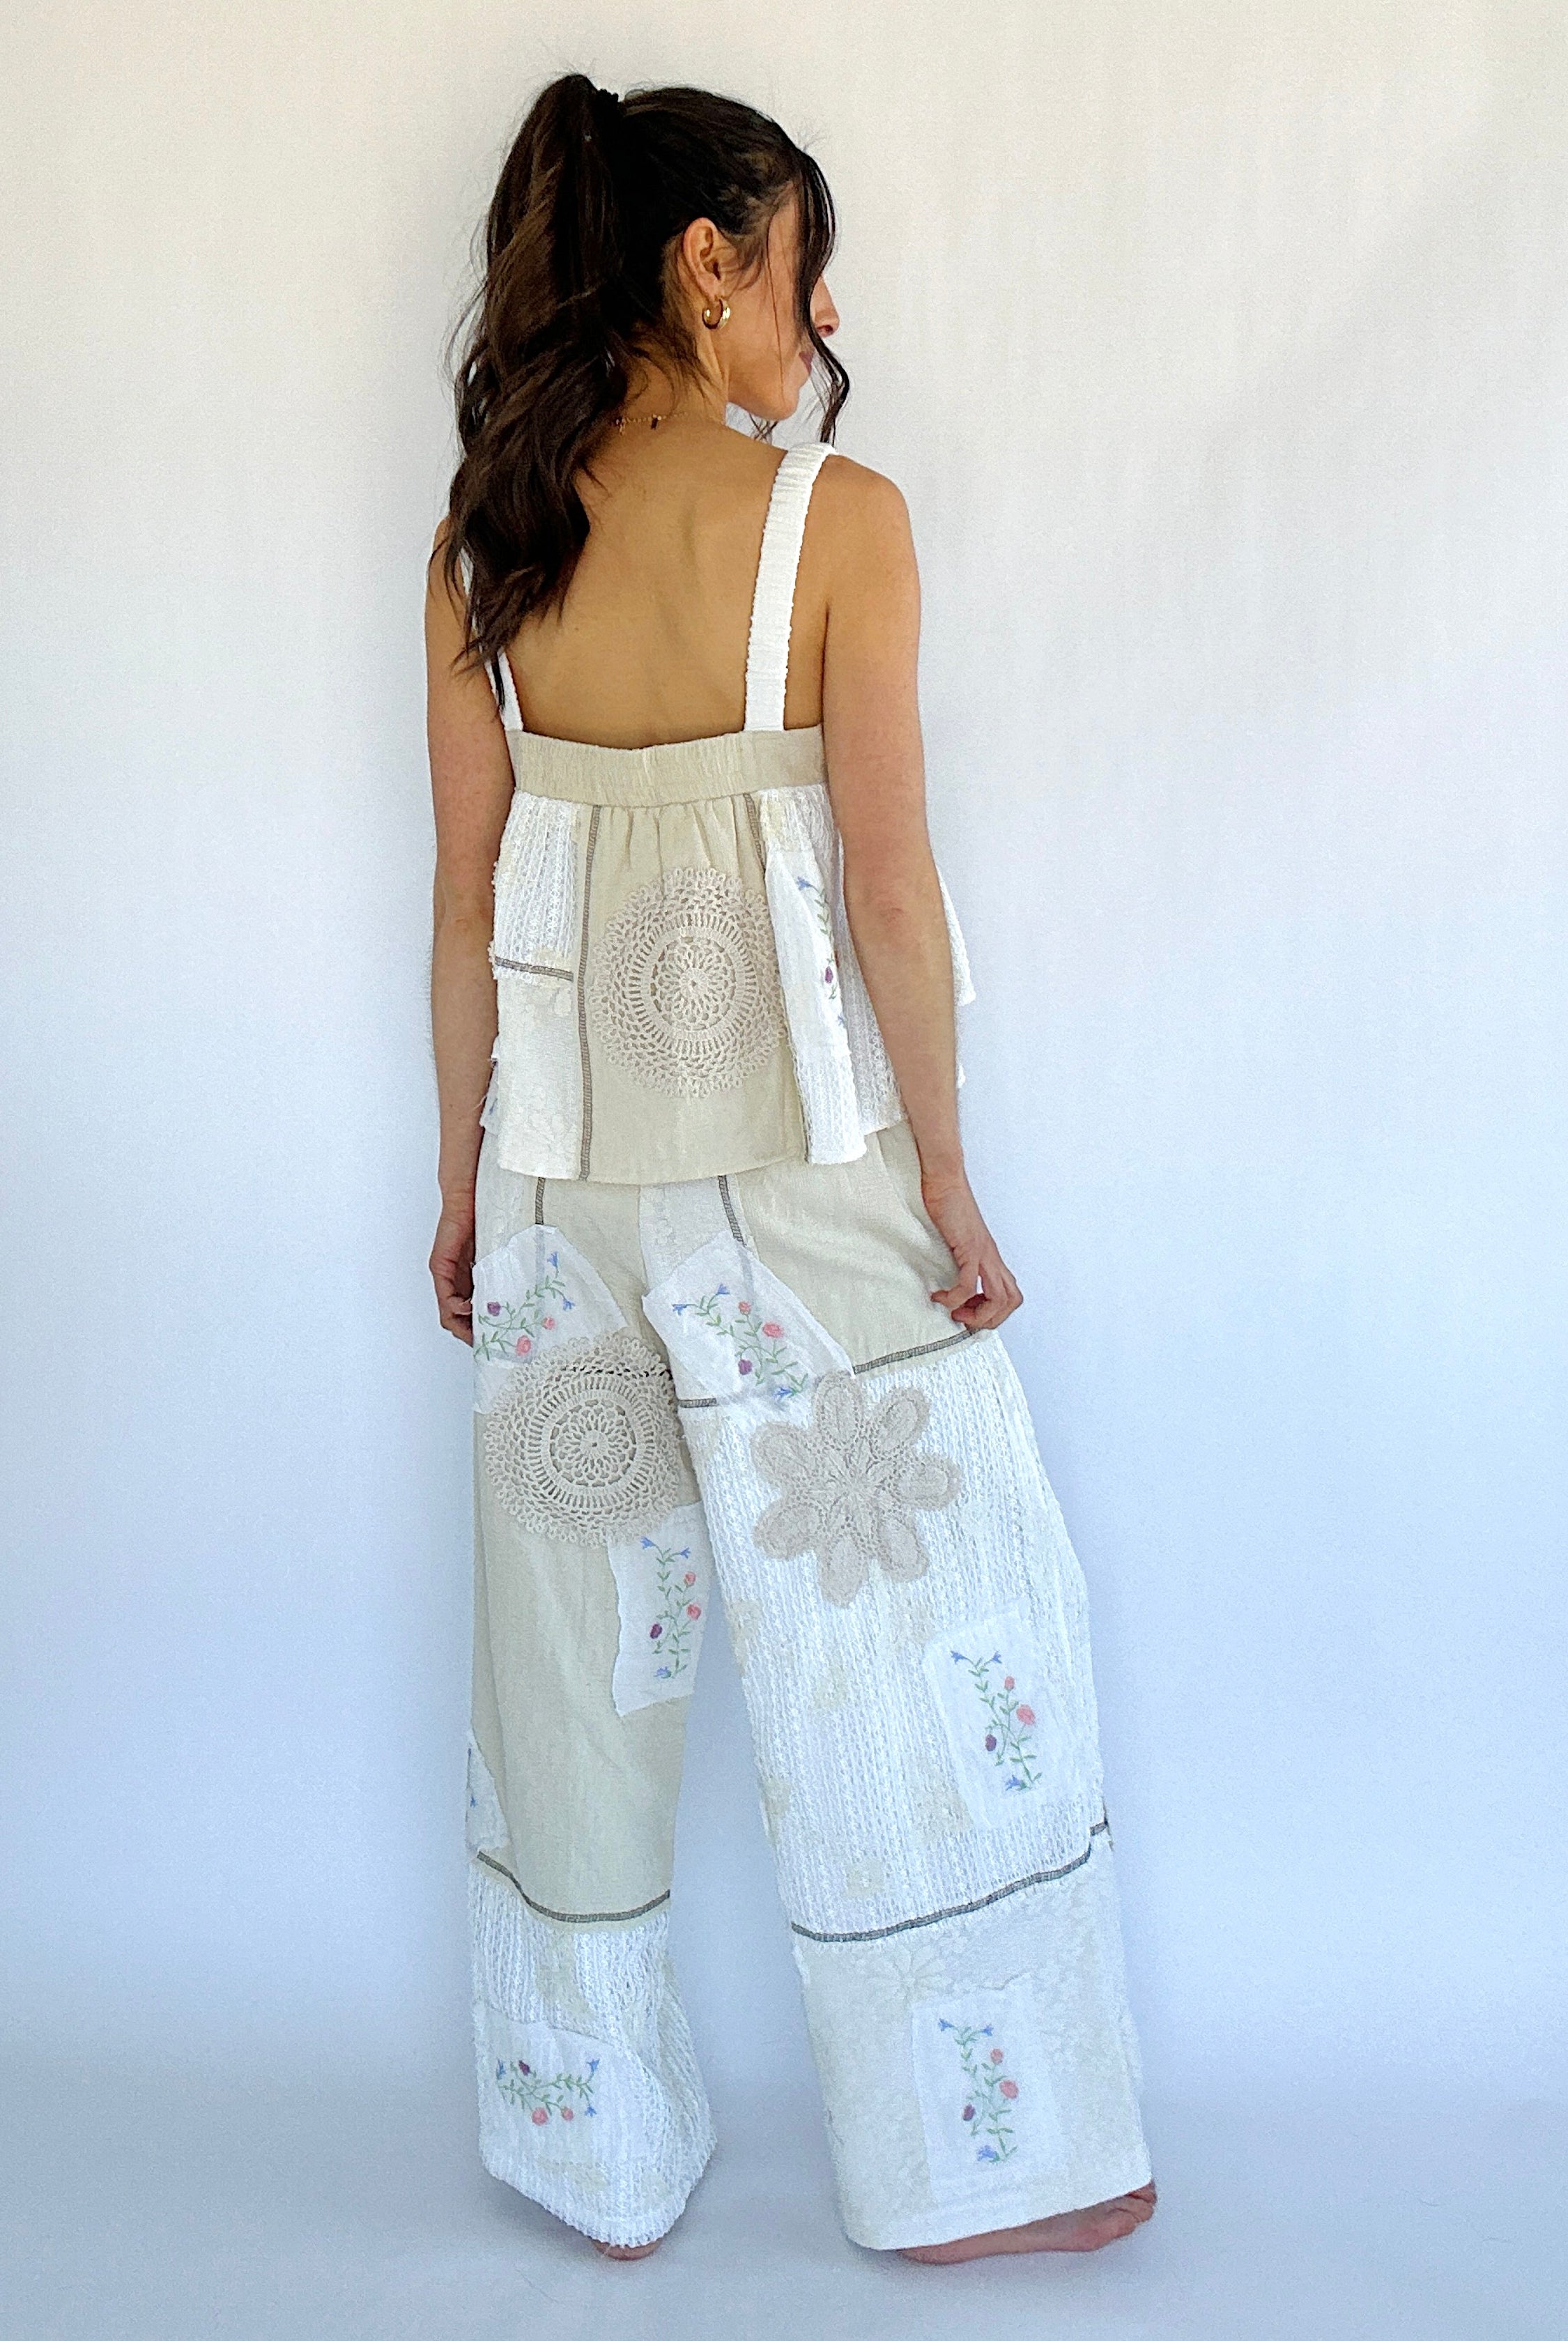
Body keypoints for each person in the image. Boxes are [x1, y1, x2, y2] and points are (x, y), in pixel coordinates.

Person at [424, 71, 1154, 2264]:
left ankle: (593, 2162)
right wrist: (950, 1181)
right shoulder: (838, 521)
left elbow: (459, 903)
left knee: (572, 1661)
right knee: (922, 1624)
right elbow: (894, 890)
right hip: (802, 1180)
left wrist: (457, 1186)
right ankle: (981, 2163)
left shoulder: (485, 539)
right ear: (704, 258)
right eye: (796, 263)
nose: (817, 314)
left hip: (553, 1183)